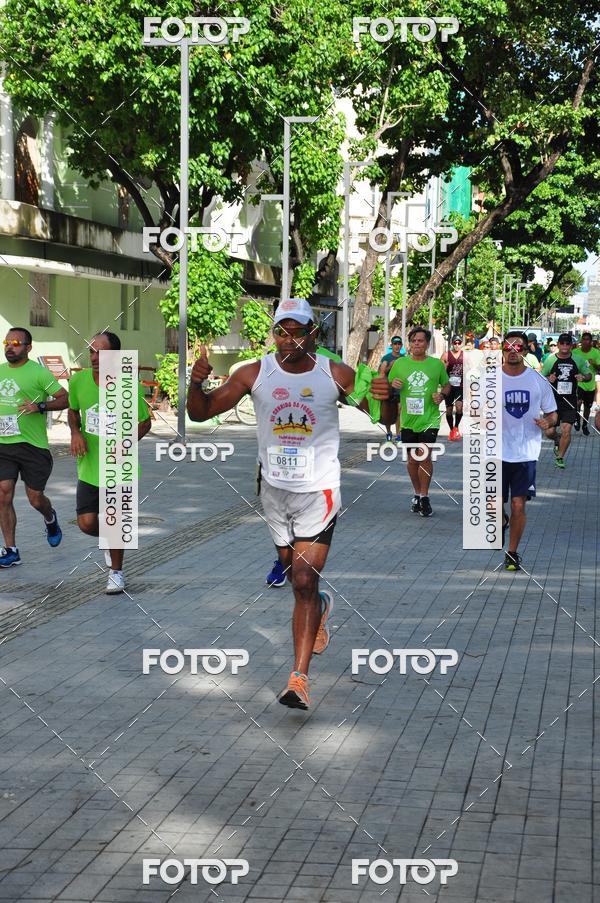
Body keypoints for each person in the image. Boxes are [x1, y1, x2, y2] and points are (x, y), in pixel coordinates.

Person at [187, 298, 394, 711]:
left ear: (313, 333)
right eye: (281, 331)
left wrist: (385, 398)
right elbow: (202, 412)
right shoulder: (253, 372)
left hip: (320, 491)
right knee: (289, 568)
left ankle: (298, 679)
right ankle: (320, 607)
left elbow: (384, 419)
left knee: (302, 580)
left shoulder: (333, 373)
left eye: (297, 330)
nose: (288, 339)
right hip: (274, 491)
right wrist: (195, 384)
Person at [68, 332, 152, 594]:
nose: (94, 357)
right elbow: (72, 411)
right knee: (86, 523)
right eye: (91, 351)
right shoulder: (79, 381)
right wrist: (75, 432)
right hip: (89, 466)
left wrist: (127, 442)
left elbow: (145, 421)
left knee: (115, 521)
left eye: (100, 352)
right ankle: (110, 539)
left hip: (119, 466)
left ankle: (116, 573)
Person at [0, 327, 68, 566]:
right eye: (7, 341)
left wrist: (39, 406)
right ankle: (11, 550)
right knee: (3, 494)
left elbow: (65, 398)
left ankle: (50, 518)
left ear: (28, 347)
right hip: (4, 445)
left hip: (32, 447)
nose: (10, 346)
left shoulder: (39, 373)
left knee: (35, 498)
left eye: (16, 342)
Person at [502, 331, 557, 571]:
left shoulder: (538, 381)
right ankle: (501, 520)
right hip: (494, 451)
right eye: (508, 347)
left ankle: (512, 553)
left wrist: (549, 423)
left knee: (518, 505)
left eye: (518, 348)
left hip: (525, 453)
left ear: (526, 351)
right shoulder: (488, 379)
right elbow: (475, 410)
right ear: (502, 350)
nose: (513, 351)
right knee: (491, 505)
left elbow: (552, 413)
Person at [388, 326, 450, 517]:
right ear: (410, 343)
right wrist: (393, 384)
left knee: (424, 456)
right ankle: (416, 493)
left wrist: (441, 395)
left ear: (427, 344)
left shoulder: (436, 365)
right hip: (408, 421)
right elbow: (389, 383)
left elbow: (446, 385)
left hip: (430, 419)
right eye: (414, 341)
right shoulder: (400, 364)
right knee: (413, 460)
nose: (417, 344)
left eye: (420, 341)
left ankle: (425, 497)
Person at [540, 333, 591, 468]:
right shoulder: (550, 360)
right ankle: (557, 439)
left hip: (570, 400)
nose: (564, 346)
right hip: (552, 400)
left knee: (566, 429)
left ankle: (560, 457)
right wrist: (548, 379)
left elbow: (589, 375)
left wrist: (583, 377)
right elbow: (540, 377)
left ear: (571, 345)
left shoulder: (578, 359)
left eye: (567, 344)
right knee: (549, 432)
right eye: (562, 343)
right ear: (558, 345)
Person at [378, 336, 404, 442]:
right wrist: (390, 366)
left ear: (401, 345)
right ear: (392, 345)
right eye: (395, 344)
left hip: (400, 388)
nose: (397, 346)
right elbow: (381, 374)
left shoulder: (404, 358)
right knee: (388, 413)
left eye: (399, 344)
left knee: (399, 412)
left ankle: (398, 435)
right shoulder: (386, 358)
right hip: (388, 388)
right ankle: (389, 432)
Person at [574, 332, 600, 435]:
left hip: (590, 384)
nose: (585, 341)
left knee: (587, 407)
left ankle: (585, 425)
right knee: (578, 402)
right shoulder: (575, 352)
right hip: (579, 383)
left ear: (591, 341)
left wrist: (593, 363)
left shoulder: (596, 353)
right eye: (583, 339)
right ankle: (577, 420)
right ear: (581, 341)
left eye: (587, 339)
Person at [440, 335, 464, 441]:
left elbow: (471, 368)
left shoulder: (465, 355)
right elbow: (439, 370)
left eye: (459, 343)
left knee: (459, 407)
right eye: (455, 343)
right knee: (449, 410)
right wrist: (444, 367)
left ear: (461, 343)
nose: (457, 345)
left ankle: (456, 427)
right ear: (452, 344)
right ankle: (451, 430)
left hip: (460, 385)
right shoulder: (446, 355)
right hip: (449, 386)